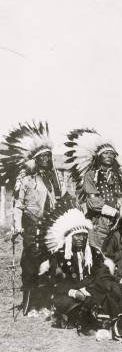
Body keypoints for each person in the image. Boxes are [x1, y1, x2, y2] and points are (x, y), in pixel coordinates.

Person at [0, 121, 64, 314]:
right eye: (42, 156)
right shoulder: (26, 178)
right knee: (30, 263)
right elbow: (18, 205)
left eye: (48, 156)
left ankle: (44, 303)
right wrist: (17, 226)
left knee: (48, 262)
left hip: (48, 227)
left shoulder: (54, 179)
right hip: (30, 225)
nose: (45, 158)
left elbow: (57, 202)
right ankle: (30, 305)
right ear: (35, 159)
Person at [34, 196, 117, 330]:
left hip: (89, 290)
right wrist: (74, 292)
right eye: (77, 236)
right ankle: (76, 317)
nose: (81, 239)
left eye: (84, 236)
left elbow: (100, 274)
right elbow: (57, 283)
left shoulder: (93, 254)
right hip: (69, 294)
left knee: (107, 296)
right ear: (69, 238)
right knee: (68, 302)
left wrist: (90, 289)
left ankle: (92, 316)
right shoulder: (60, 256)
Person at [65, 128, 122, 248]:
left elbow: (121, 197)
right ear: (99, 156)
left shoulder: (117, 176)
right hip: (98, 222)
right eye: (105, 153)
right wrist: (114, 212)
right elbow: (93, 202)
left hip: (116, 223)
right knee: (98, 255)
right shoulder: (91, 175)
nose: (109, 155)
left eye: (111, 153)